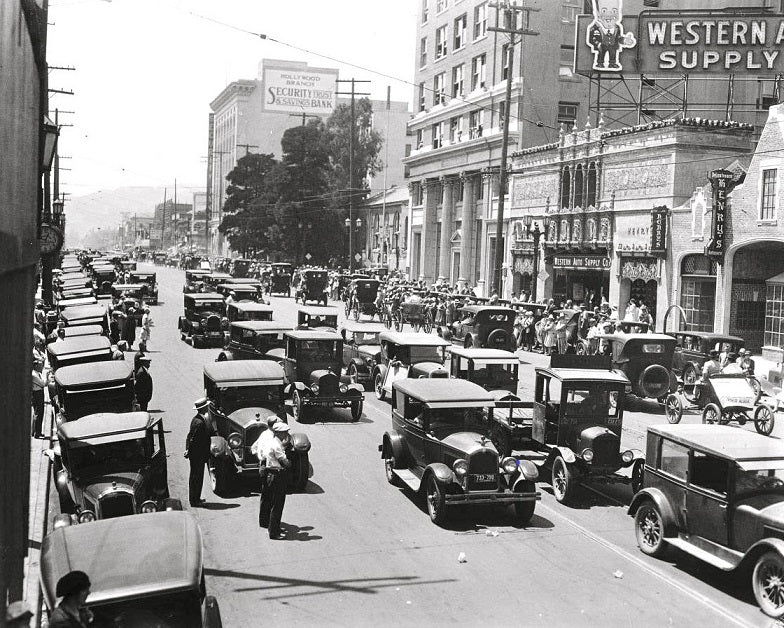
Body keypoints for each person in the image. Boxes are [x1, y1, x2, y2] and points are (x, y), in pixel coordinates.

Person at [258, 421, 292, 539]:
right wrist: (288, 462)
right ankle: (273, 532)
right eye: (285, 432)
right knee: (277, 504)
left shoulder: (272, 442)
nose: (286, 434)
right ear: (280, 433)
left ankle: (273, 527)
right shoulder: (277, 445)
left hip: (270, 474)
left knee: (271, 502)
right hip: (277, 475)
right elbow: (285, 462)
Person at [251, 415, 279, 527]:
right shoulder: (272, 437)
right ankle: (271, 523)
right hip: (269, 467)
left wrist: (259, 457)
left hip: (263, 466)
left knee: (265, 495)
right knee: (272, 497)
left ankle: (263, 521)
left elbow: (253, 448)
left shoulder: (263, 434)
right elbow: (271, 454)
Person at [184, 397, 212, 507]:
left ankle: (196, 498)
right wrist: (188, 451)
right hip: (197, 455)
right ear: (203, 408)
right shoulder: (199, 422)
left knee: (198, 477)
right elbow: (192, 439)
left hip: (198, 454)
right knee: (196, 477)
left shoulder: (199, 419)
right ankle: (194, 500)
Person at [32, 356, 45, 439]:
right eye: (40, 365)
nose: (42, 367)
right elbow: (43, 384)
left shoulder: (39, 374)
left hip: (40, 392)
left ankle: (35, 431)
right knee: (38, 413)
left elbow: (44, 382)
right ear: (36, 366)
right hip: (37, 394)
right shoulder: (34, 375)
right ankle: (37, 433)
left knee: (39, 413)